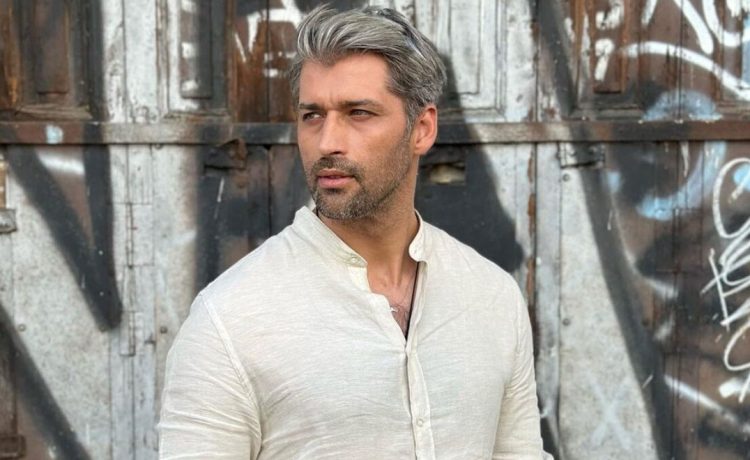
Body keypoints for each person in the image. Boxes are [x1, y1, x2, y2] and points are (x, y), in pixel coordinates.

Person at [158, 5, 551, 459]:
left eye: (358, 112)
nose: (327, 143)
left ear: (422, 129)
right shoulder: (229, 321)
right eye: (312, 116)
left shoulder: (491, 296)